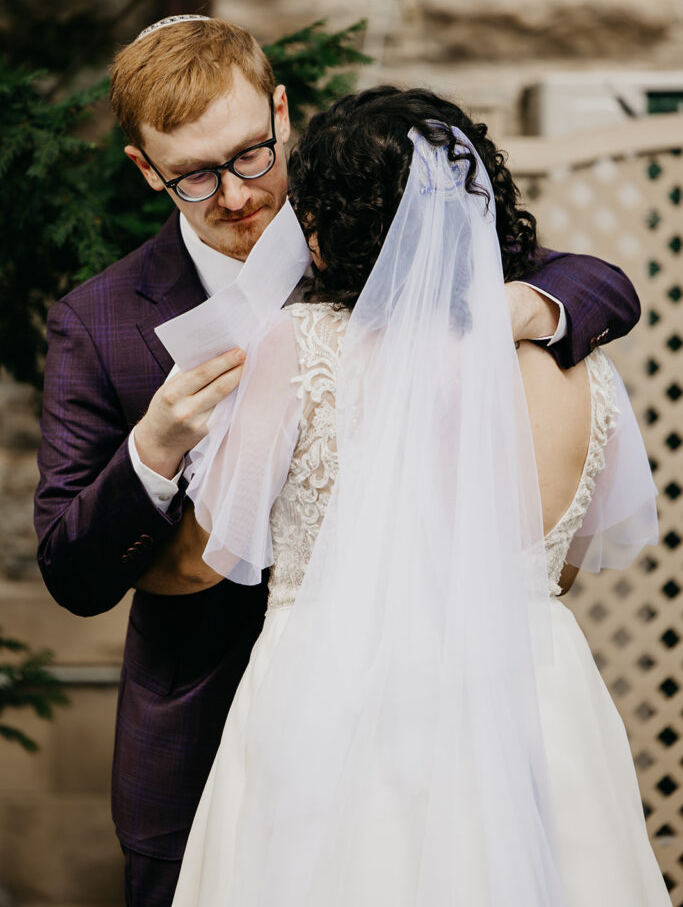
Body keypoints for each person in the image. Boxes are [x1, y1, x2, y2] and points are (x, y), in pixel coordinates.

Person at [34, 16, 643, 906]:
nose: (237, 194)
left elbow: (599, 284)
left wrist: (519, 307)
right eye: (196, 177)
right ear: (145, 169)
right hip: (207, 743)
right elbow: (71, 568)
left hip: (431, 731)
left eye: (251, 155)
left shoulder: (374, 226)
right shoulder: (97, 319)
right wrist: (152, 450)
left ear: (281, 113)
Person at [171, 87, 669, 907]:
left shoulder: (293, 347)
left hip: (331, 696)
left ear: (324, 232)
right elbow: (569, 562)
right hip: (532, 695)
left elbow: (224, 541)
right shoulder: (578, 359)